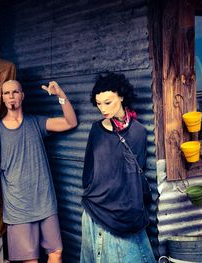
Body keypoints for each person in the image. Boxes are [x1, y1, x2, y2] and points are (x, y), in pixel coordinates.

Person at [0, 79, 77, 263]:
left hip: (45, 201)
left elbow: (70, 123)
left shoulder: (36, 122)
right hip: (18, 206)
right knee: (30, 260)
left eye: (15, 92)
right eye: (7, 93)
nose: (11, 96)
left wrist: (61, 96)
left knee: (56, 253)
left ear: (22, 96)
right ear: (2, 98)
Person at [80, 72, 155, 263]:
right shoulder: (96, 130)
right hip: (96, 207)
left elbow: (135, 173)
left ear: (121, 97)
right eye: (98, 103)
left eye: (108, 102)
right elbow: (88, 171)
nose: (103, 109)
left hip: (125, 211)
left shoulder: (138, 131)